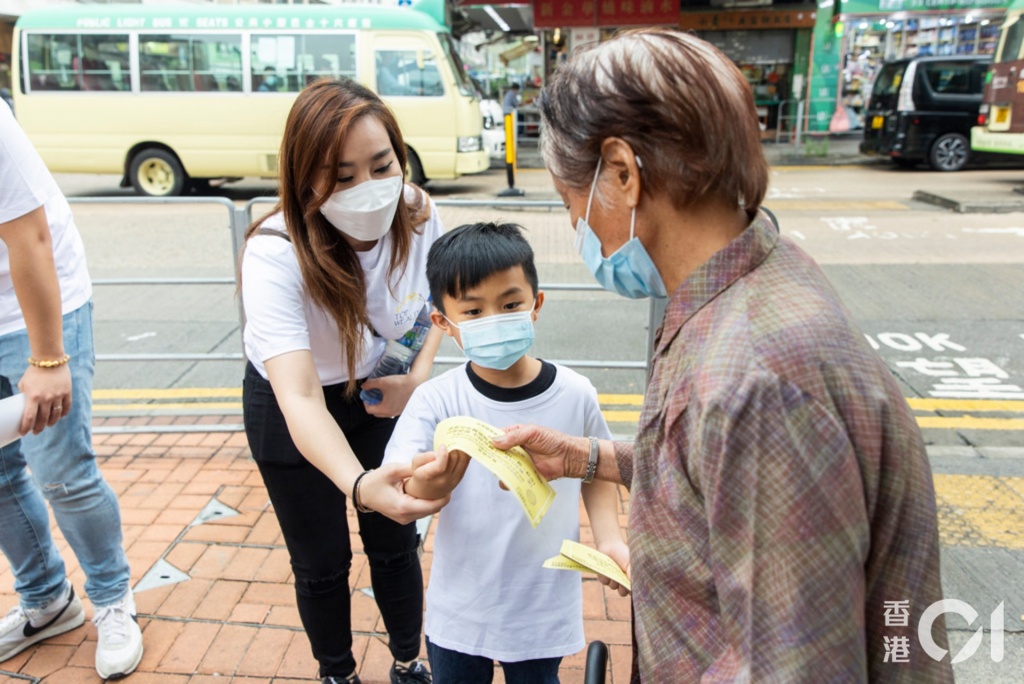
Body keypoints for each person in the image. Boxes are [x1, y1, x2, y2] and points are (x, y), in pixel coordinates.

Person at [492, 29, 954, 683]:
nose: (577, 229)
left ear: (621, 174)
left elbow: (798, 668)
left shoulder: (756, 382)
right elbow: (717, 475)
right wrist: (585, 458)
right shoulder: (752, 278)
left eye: (573, 205)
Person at [240, 78, 445, 684]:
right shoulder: (276, 251)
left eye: (381, 165)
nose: (368, 189)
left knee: (396, 541)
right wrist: (358, 483)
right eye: (341, 175)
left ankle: (409, 662)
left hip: (382, 392)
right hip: (295, 406)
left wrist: (420, 374)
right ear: (305, 179)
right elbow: (298, 394)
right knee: (322, 562)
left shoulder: (418, 211)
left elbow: (439, 302)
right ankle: (338, 673)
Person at [382, 222, 629, 684]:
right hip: (461, 605)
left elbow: (597, 468)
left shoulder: (575, 393)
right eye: (473, 310)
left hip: (541, 603)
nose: (493, 319)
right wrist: (428, 485)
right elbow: (399, 482)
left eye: (510, 304)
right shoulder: (436, 399)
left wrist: (610, 538)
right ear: (443, 322)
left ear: (535, 305)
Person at [0, 94, 142, 679]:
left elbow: (29, 236)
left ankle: (112, 600)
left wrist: (48, 357)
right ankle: (47, 601)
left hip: (31, 311)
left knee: (62, 471)